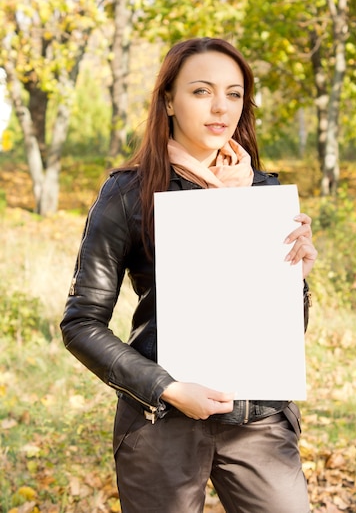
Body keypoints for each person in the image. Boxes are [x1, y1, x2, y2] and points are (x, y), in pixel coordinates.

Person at [61, 37, 318, 513]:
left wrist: (294, 278)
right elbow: (81, 324)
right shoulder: (128, 194)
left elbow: (287, 330)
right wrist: (167, 388)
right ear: (168, 101)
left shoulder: (263, 193)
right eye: (201, 91)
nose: (221, 107)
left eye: (234, 94)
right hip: (163, 424)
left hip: (258, 419)